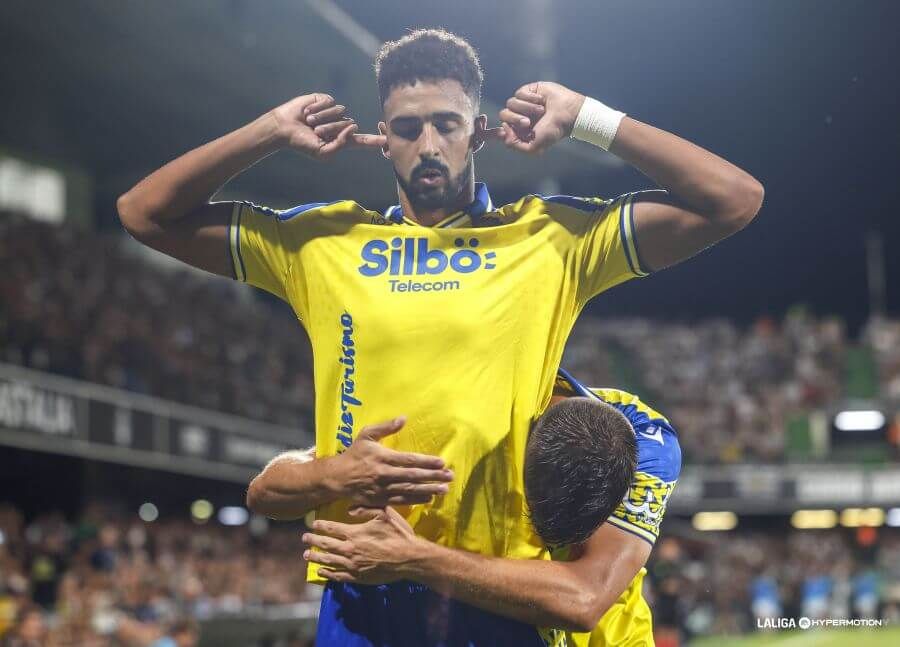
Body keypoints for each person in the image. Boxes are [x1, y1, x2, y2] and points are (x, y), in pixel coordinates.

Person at [120, 27, 760, 646]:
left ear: (478, 131)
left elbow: (733, 200)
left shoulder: (547, 239)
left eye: (447, 124)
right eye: (406, 127)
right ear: (382, 139)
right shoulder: (321, 243)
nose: (427, 144)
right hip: (361, 588)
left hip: (494, 589)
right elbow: (143, 213)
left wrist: (587, 117)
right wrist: (269, 132)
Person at [253, 369, 680, 646]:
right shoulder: (468, 429)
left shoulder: (645, 439)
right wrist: (332, 473)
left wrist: (413, 558)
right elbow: (261, 493)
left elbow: (584, 599)